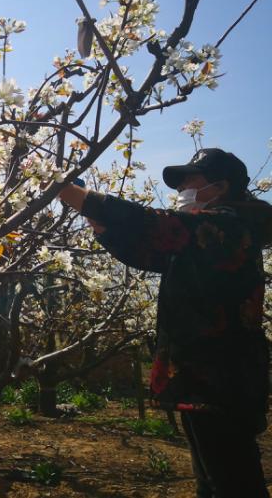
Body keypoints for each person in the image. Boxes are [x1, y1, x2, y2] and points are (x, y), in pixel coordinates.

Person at [58, 148, 272, 498]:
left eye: (191, 179)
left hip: (220, 379)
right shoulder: (203, 240)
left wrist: (67, 191)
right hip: (202, 379)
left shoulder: (228, 226)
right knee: (214, 481)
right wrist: (92, 215)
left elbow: (153, 224)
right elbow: (145, 248)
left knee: (233, 484)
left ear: (222, 185)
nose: (182, 187)